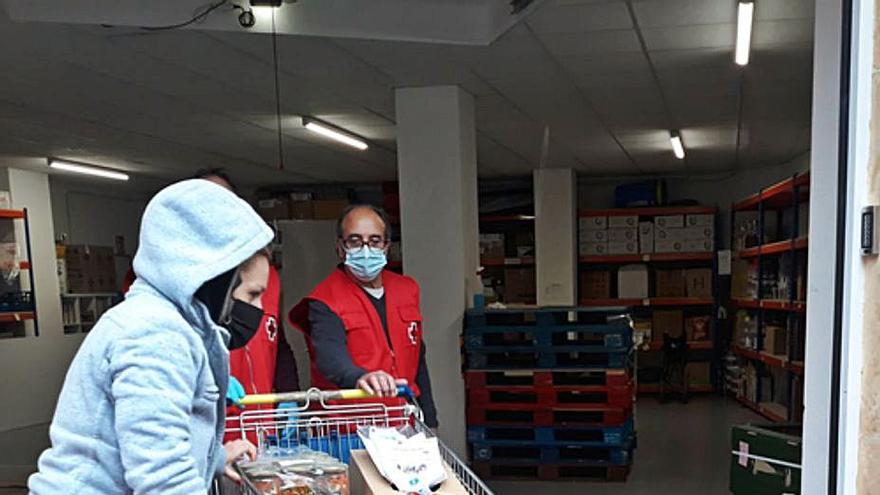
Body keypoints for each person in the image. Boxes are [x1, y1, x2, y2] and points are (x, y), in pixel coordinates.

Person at [28, 179, 275, 494]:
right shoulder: (156, 334)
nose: (259, 308)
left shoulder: (169, 324)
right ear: (216, 279)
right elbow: (164, 480)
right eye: (252, 294)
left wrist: (213, 458)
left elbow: (148, 442)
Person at [289, 205, 438, 428]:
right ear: (340, 248)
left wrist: (430, 416)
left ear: (386, 247)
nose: (366, 249)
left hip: (403, 420)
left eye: (375, 241)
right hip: (350, 427)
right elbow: (330, 358)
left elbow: (416, 354)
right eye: (355, 241)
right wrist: (360, 377)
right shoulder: (325, 299)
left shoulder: (406, 289)